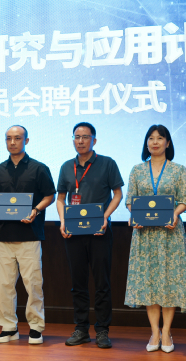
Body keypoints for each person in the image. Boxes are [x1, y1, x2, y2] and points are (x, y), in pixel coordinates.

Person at [124, 125, 186, 353]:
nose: (155, 142)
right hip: (145, 235)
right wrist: (135, 215)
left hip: (169, 234)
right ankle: (154, 331)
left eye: (160, 138)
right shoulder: (137, 170)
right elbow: (130, 200)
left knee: (169, 281)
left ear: (167, 143)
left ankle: (167, 331)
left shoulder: (179, 170)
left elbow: (184, 200)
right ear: (146, 143)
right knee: (149, 282)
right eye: (151, 138)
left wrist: (175, 213)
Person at [0, 125, 56, 345]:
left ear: (26, 141)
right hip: (3, 235)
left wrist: (35, 210)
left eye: (17, 138)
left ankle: (35, 327)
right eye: (8, 138)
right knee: (5, 285)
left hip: (29, 235)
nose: (12, 142)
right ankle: (9, 327)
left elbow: (50, 196)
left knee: (33, 284)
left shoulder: (39, 168)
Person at [56, 122, 124, 349]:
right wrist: (63, 221)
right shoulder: (67, 167)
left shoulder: (107, 163)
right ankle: (81, 329)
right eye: (77, 137)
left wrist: (105, 216)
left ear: (94, 140)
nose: (81, 141)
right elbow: (60, 198)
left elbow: (117, 194)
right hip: (74, 233)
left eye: (85, 137)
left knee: (102, 283)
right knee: (78, 283)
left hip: (99, 231)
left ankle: (102, 330)